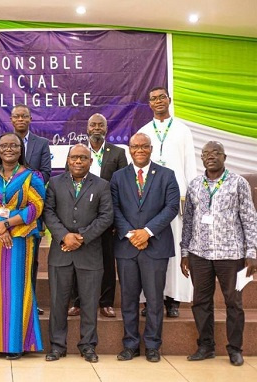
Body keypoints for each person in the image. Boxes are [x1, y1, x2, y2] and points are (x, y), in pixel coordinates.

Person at [181, 141, 257, 366]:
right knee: (201, 301)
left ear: (224, 157)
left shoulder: (238, 183)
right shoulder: (194, 185)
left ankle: (235, 349)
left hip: (232, 255)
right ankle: (206, 346)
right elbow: (188, 222)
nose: (210, 156)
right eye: (205, 154)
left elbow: (250, 219)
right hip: (199, 254)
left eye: (215, 153)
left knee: (234, 302)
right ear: (201, 159)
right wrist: (185, 252)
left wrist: (251, 252)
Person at [0, 133, 45, 359]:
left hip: (21, 239)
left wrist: (5, 224)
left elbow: (36, 207)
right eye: (3, 145)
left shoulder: (31, 176)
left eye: (14, 145)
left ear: (20, 149)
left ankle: (15, 344)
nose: (9, 149)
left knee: (17, 288)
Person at [111, 133, 179, 363]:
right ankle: (130, 345)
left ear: (151, 149)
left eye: (144, 146)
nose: (139, 150)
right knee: (128, 300)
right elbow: (114, 208)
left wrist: (147, 232)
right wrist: (131, 234)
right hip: (127, 247)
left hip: (155, 247)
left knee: (154, 299)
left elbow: (171, 208)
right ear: (129, 150)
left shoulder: (166, 175)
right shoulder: (118, 177)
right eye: (135, 146)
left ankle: (152, 345)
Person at [43, 144, 113, 362]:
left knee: (90, 303)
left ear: (91, 161)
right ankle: (57, 346)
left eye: (83, 158)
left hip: (90, 253)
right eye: (74, 158)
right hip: (60, 253)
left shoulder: (102, 185)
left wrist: (81, 237)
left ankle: (88, 346)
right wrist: (65, 236)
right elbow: (48, 212)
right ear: (68, 160)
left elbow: (106, 216)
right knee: (58, 302)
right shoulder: (54, 183)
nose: (78, 161)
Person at [138, 86, 196, 317]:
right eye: (153, 98)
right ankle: (152, 298)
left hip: (177, 199)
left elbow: (190, 166)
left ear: (169, 100)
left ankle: (173, 300)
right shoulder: (144, 132)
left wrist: (191, 199)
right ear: (149, 104)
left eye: (162, 97)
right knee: (151, 248)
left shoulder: (183, 131)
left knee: (176, 247)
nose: (158, 101)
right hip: (150, 200)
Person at [0, 104, 51, 315]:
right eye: (16, 116)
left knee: (28, 266)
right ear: (11, 118)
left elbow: (45, 173)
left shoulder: (41, 144)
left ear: (30, 119)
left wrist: (22, 184)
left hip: (25, 220)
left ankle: (30, 301)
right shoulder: (2, 148)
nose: (20, 119)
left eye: (24, 116)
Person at [68, 114, 127, 318]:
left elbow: (122, 188)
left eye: (100, 125)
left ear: (106, 128)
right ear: (87, 127)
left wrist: (115, 219)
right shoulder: (78, 151)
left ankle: (106, 302)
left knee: (107, 261)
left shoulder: (118, 153)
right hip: (79, 216)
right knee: (76, 261)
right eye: (92, 124)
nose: (96, 128)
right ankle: (77, 301)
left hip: (105, 218)